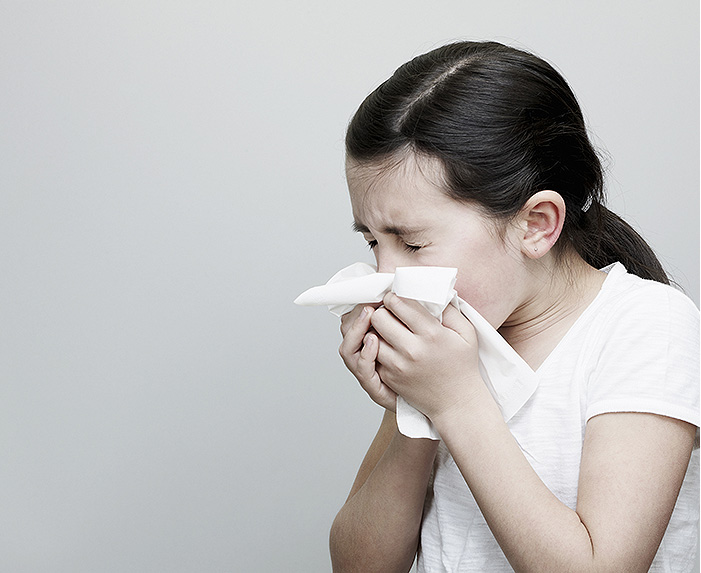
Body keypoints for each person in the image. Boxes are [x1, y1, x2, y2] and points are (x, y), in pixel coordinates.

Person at [328, 41, 699, 572]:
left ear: (537, 225)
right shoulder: (446, 345)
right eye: (372, 242)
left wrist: (456, 402)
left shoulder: (647, 326)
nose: (386, 277)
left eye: (412, 243)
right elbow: (358, 566)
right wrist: (417, 414)